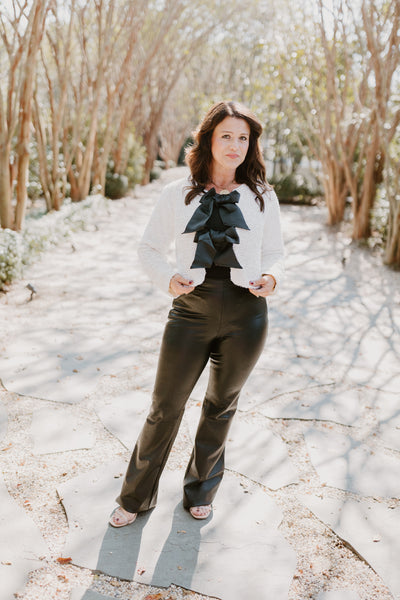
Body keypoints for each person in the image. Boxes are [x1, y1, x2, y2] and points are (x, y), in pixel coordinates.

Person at [109, 100, 284, 526]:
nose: (236, 145)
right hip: (190, 311)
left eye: (244, 138)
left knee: (221, 407)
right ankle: (134, 498)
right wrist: (168, 278)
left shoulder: (262, 195)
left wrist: (274, 278)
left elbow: (276, 252)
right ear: (208, 138)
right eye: (227, 135)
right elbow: (148, 248)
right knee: (164, 407)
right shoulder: (177, 192)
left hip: (248, 314)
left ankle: (200, 491)